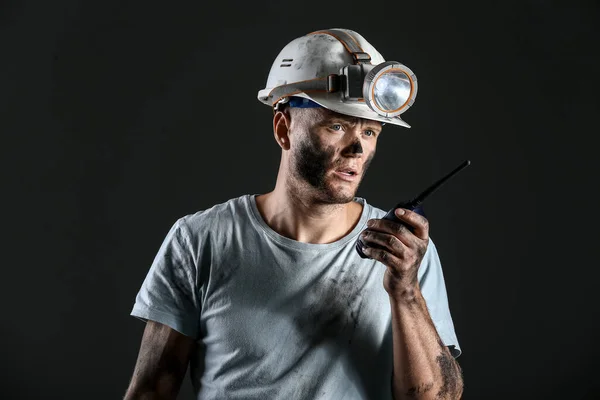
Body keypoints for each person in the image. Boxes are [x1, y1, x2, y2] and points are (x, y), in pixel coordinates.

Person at [124, 28, 463, 400]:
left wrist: (406, 291)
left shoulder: (404, 255)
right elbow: (151, 390)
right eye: (336, 126)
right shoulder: (201, 240)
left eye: (370, 131)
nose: (357, 149)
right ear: (284, 128)